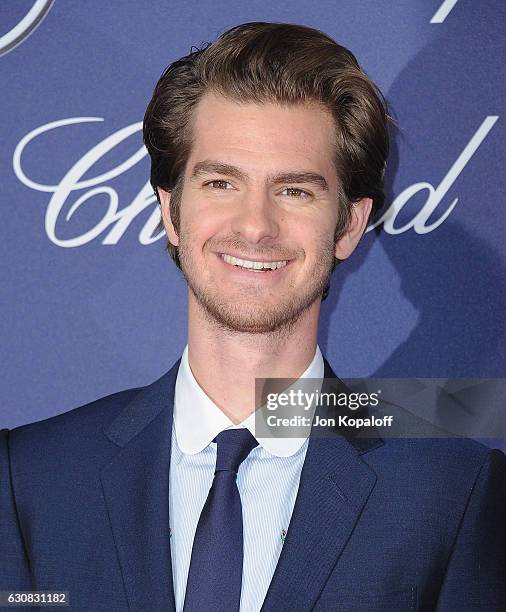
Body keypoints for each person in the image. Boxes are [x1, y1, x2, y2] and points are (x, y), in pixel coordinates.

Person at [1, 22, 505, 612]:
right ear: (171, 212)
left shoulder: (451, 490)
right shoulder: (32, 479)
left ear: (348, 225)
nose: (255, 226)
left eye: (295, 191)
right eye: (220, 182)